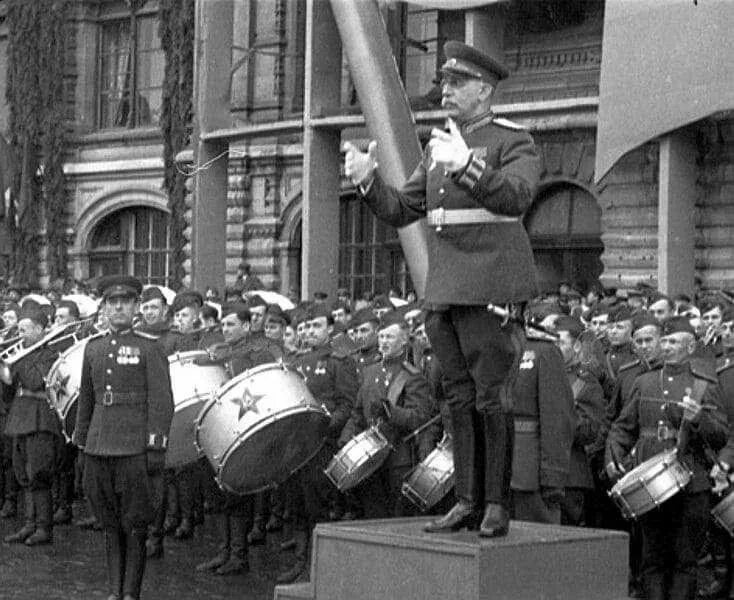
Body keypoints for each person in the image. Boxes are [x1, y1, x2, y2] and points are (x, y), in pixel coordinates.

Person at [344, 40, 540, 537]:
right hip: (446, 289)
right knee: (458, 398)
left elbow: (517, 196)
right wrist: (368, 182)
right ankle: (467, 500)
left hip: (490, 288)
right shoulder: (436, 147)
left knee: (492, 398)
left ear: (485, 89)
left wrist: (468, 166)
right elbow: (400, 209)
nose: (446, 91)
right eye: (445, 83)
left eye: (457, 84)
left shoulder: (513, 140)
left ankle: (496, 503)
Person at [606, 317, 728, 600]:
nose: (668, 346)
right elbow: (622, 427)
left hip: (692, 481)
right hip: (650, 482)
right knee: (652, 559)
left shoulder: (705, 385)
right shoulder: (644, 381)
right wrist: (613, 456)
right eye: (666, 341)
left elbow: (721, 435)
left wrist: (699, 419)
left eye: (674, 342)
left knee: (685, 561)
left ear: (691, 346)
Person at [74, 275, 174, 600]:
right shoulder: (93, 347)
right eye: (112, 302)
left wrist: (156, 446)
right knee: (109, 525)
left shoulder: (150, 347)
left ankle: (131, 594)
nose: (118, 307)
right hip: (99, 446)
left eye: (125, 302)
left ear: (135, 308)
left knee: (135, 526)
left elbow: (162, 401)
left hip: (134, 448)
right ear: (103, 308)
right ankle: (114, 593)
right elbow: (86, 399)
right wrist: (81, 442)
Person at [338, 311, 432, 518]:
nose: (383, 342)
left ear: (404, 340)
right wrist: (346, 437)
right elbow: (357, 414)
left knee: (396, 517)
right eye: (381, 336)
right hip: (370, 458)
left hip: (398, 458)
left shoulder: (412, 376)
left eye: (389, 337)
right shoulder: (370, 372)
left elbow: (420, 417)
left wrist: (392, 412)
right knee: (373, 514)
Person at [1, 305, 61, 546]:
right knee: (22, 474)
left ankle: (44, 527)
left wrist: (14, 363)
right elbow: (7, 394)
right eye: (19, 329)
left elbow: (36, 382)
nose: (20, 334)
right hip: (20, 416)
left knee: (39, 474)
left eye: (25, 329)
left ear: (39, 330)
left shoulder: (49, 354)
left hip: (40, 419)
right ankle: (29, 524)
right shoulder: (21, 353)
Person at [510, 320, 574, 524]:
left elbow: (557, 417)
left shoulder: (543, 351)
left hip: (529, 469)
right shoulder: (494, 349)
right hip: (497, 471)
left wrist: (552, 475)